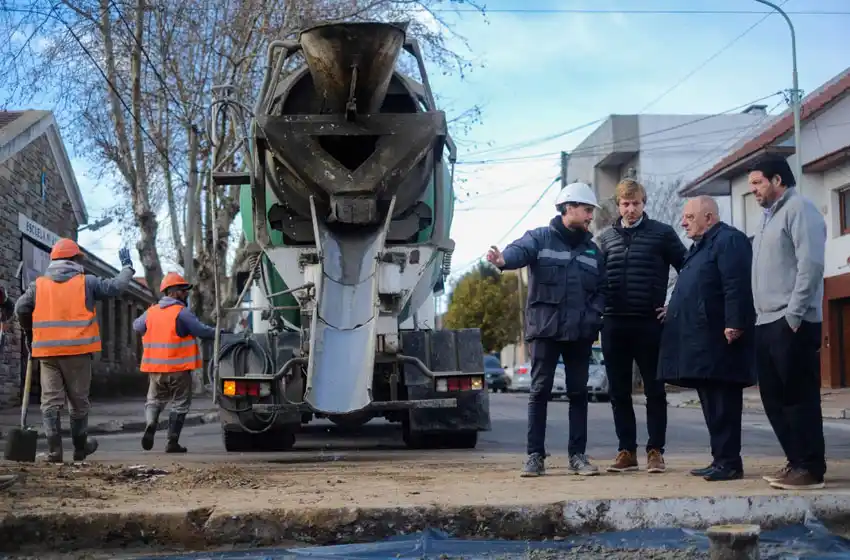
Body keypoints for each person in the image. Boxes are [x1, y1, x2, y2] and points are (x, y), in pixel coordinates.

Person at [487, 182, 606, 477]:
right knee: (539, 391)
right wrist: (504, 261)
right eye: (587, 209)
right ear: (569, 208)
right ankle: (535, 456)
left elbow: (601, 291)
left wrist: (594, 317)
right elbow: (519, 251)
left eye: (591, 211)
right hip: (546, 330)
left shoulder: (593, 251)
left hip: (580, 332)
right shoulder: (540, 239)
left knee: (579, 394)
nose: (591, 216)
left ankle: (577, 456)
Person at [658, 196, 755, 481]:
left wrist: (735, 322)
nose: (683, 222)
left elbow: (736, 284)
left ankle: (729, 463)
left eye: (689, 216)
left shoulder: (729, 241)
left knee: (724, 401)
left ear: (708, 217)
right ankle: (719, 459)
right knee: (711, 401)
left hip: (720, 337)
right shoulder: (700, 247)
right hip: (702, 339)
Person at [15, 239, 135, 463]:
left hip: (47, 353)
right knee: (78, 402)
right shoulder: (86, 282)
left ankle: (54, 451)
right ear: (75, 259)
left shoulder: (38, 285)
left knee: (50, 401)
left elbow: (21, 307)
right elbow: (117, 287)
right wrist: (127, 267)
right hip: (77, 352)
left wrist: (30, 334)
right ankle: (80, 449)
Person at [596, 178, 686, 475]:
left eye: (636, 203)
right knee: (618, 391)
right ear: (618, 206)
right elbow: (595, 279)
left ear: (643, 203)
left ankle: (655, 451)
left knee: (655, 390)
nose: (631, 209)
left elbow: (688, 268)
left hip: (650, 323)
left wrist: (673, 305)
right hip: (614, 323)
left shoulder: (662, 234)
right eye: (625, 204)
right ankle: (626, 451)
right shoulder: (605, 238)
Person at [748, 155, 827, 490]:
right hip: (767, 322)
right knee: (774, 398)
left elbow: (810, 265)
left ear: (778, 180)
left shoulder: (800, 209)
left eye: (757, 183)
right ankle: (796, 462)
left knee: (798, 397)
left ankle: (810, 468)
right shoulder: (768, 218)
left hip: (792, 321)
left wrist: (794, 315)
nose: (753, 190)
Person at [133, 272, 219, 453]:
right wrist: (220, 332)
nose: (186, 294)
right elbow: (201, 331)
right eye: (183, 290)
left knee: (153, 400)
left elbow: (137, 326)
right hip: (179, 369)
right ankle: (172, 442)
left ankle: (151, 423)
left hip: (156, 370)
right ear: (174, 292)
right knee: (180, 404)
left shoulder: (151, 312)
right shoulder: (181, 313)